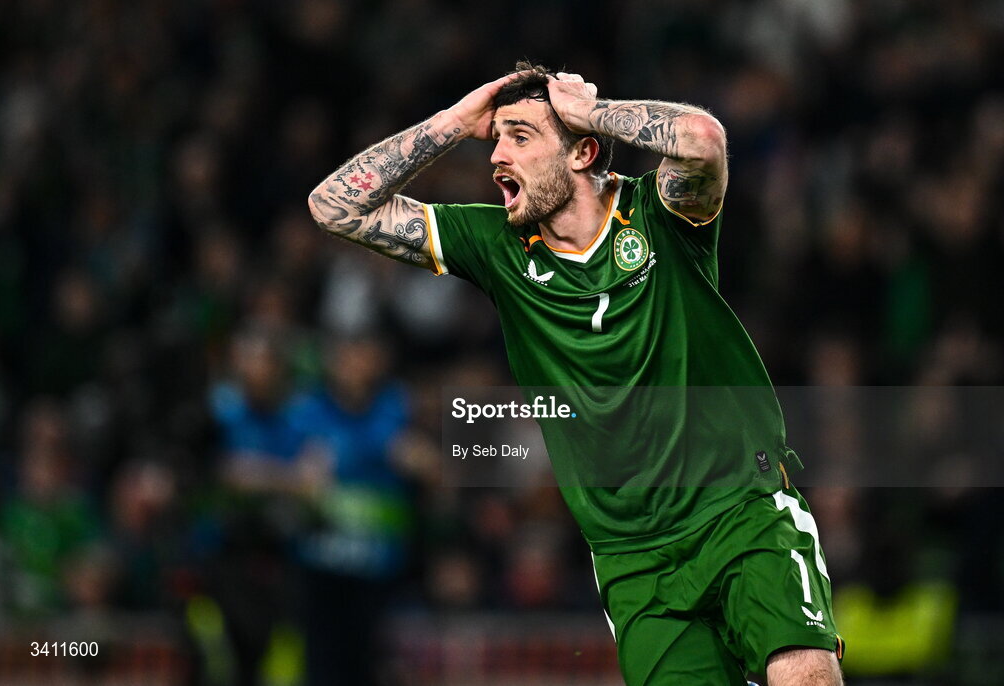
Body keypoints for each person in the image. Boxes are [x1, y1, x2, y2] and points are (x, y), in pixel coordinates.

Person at [308, 61, 844, 686]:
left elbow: (702, 140)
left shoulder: (660, 214)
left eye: (521, 136)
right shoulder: (495, 245)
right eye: (497, 138)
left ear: (584, 152)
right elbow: (332, 207)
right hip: (633, 558)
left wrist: (588, 109)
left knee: (802, 673)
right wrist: (455, 122)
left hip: (739, 509)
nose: (497, 155)